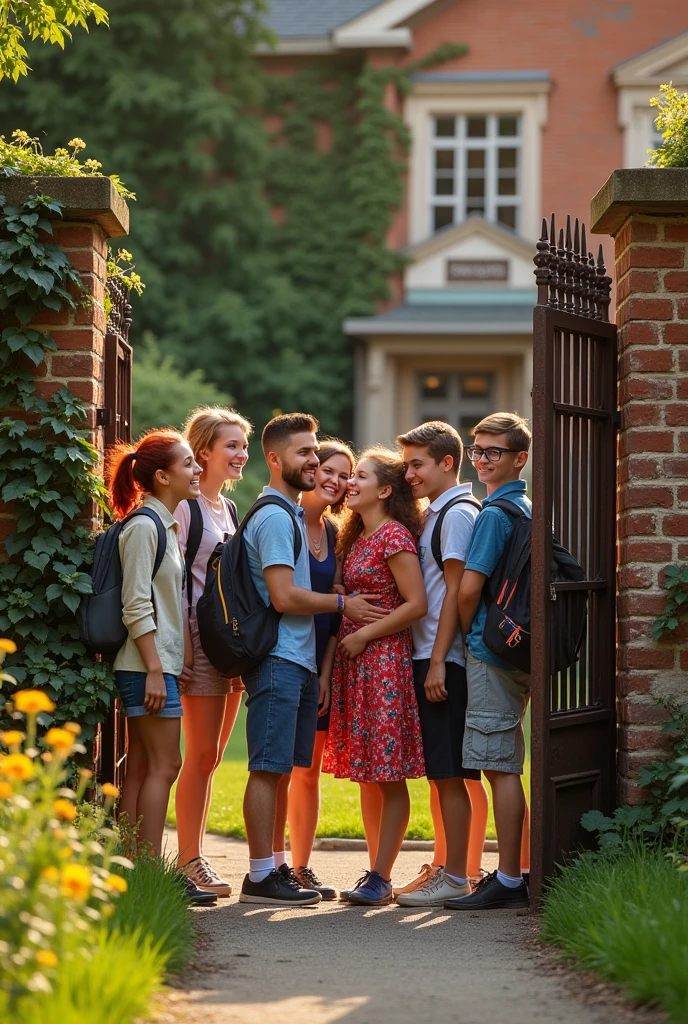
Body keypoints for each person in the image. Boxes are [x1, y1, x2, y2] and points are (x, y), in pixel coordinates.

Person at [239, 415, 386, 906]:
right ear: (276, 459)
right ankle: (261, 875)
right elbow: (283, 597)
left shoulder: (293, 515)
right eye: (304, 453)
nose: (313, 461)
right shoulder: (277, 516)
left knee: (281, 769)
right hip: (279, 657)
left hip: (299, 660)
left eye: (315, 451)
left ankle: (278, 867)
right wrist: (344, 604)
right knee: (266, 767)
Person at [107, 429, 215, 904]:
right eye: (190, 464)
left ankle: (132, 868)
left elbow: (166, 602)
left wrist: (176, 659)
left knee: (142, 768)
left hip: (156, 664)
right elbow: (135, 605)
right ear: (162, 476)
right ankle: (153, 871)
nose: (197, 471)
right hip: (144, 667)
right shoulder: (144, 527)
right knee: (166, 764)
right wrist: (155, 669)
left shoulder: (165, 526)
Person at [323, 447, 427, 907]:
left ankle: (381, 876)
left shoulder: (394, 536)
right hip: (354, 665)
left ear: (385, 490)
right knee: (368, 774)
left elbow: (416, 604)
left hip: (382, 663)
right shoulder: (355, 535)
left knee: (388, 776)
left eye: (359, 477)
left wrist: (365, 636)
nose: (350, 483)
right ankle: (374, 872)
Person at [445, 412, 532, 912]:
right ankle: (512, 873)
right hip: (516, 647)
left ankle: (508, 877)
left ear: (519, 458)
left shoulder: (495, 514)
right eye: (477, 451)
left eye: (492, 452)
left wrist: (462, 637)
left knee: (499, 767)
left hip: (489, 649)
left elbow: (469, 587)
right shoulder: (526, 506)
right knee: (504, 762)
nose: (481, 460)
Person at [393, 421, 483, 907]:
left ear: (447, 463)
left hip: (441, 657)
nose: (408, 474)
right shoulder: (437, 512)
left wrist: (438, 663)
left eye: (416, 464)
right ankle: (448, 868)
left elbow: (455, 592)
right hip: (430, 654)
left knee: (450, 773)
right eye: (405, 464)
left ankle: (456, 876)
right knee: (441, 772)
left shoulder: (456, 515)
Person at [271, 440, 355, 900]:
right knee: (276, 767)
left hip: (317, 664)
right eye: (329, 469)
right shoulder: (283, 520)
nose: (336, 480)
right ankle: (273, 866)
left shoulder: (339, 533)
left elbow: (335, 619)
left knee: (306, 770)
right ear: (311, 468)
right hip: (283, 657)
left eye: (346, 475)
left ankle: (301, 867)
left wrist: (325, 673)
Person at [174, 407, 252, 898]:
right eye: (232, 446)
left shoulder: (229, 509)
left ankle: (195, 856)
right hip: (196, 643)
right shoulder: (187, 507)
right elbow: (175, 581)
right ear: (204, 451)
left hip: (229, 643)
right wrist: (181, 646)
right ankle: (188, 863)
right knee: (198, 754)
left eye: (243, 446)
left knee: (214, 756)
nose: (241, 454)